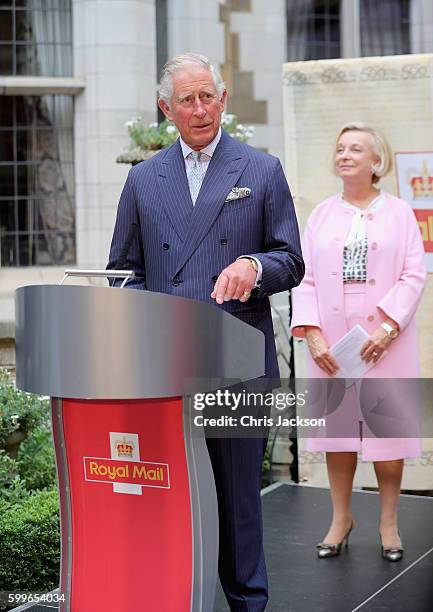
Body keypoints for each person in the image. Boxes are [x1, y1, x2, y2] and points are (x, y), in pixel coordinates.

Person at [108, 53, 304, 611]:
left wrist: (256, 268)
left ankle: (248, 603)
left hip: (237, 360)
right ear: (165, 108)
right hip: (165, 365)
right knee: (168, 496)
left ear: (224, 99)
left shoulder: (261, 170)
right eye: (186, 100)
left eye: (208, 97)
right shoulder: (144, 180)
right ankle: (174, 596)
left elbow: (291, 260)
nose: (200, 110)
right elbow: (124, 271)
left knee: (240, 498)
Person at [291, 122, 426, 562]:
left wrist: (388, 328)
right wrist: (312, 333)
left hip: (385, 341)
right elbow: (304, 278)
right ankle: (340, 518)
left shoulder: (400, 213)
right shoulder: (322, 215)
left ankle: (388, 521)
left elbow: (413, 274)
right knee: (339, 434)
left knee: (386, 435)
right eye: (340, 148)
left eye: (355, 149)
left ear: (376, 162)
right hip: (333, 343)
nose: (345, 155)